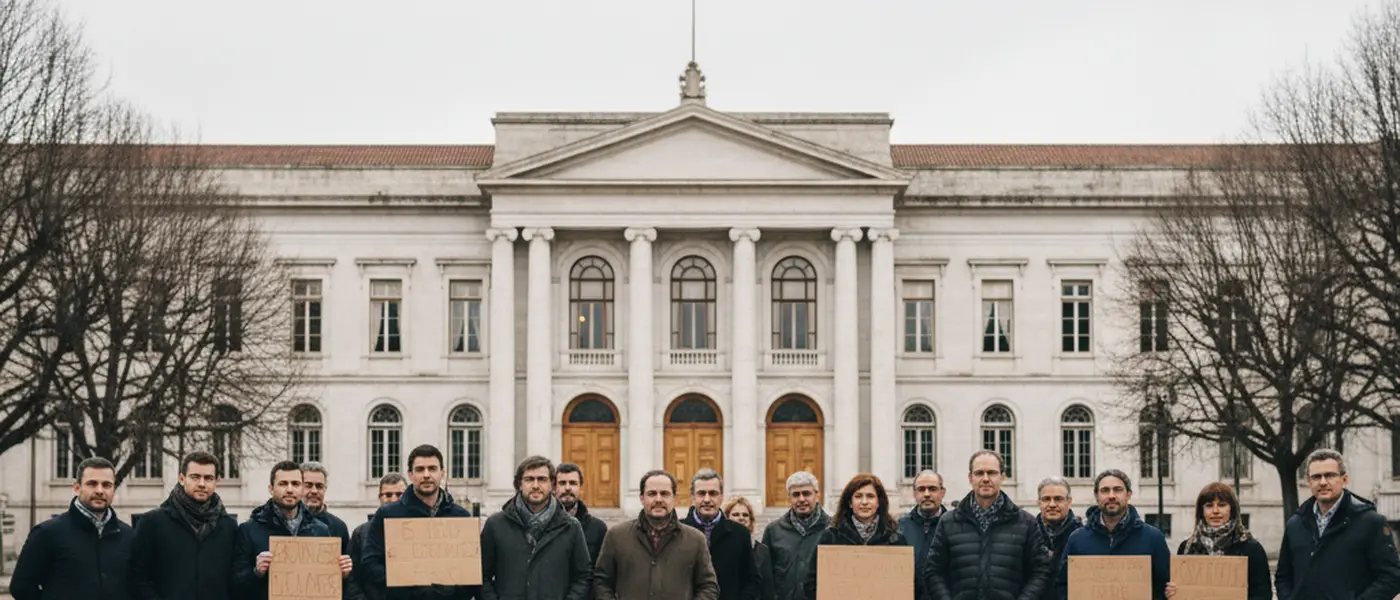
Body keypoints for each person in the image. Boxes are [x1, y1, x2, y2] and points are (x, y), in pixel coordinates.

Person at [925, 450, 1051, 600]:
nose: (985, 479)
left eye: (991, 473)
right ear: (970, 478)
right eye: (979, 473)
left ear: (1002, 477)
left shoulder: (1026, 523)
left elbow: (1041, 571)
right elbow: (933, 571)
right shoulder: (948, 522)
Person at [1275, 449, 1400, 600]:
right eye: (1316, 477)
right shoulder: (1295, 524)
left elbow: (1391, 577)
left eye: (1329, 475)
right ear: (1309, 482)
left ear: (1344, 479)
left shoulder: (1370, 523)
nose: (1323, 482)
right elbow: (1283, 576)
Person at [361, 444, 478, 600]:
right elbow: (370, 562)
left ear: (442, 472)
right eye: (420, 469)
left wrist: (452, 592)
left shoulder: (461, 517)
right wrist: (403, 589)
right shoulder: (387, 514)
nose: (426, 475)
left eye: (432, 468)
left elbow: (471, 569)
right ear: (410, 474)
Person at [12, 456, 132, 600]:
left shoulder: (128, 535)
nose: (100, 490)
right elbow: (21, 587)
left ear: (113, 489)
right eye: (92, 484)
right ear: (77, 487)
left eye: (106, 485)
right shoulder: (47, 533)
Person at [231, 460, 349, 600]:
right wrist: (256, 572)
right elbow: (235, 587)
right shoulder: (248, 530)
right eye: (283, 484)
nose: (289, 489)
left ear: (301, 488)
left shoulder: (321, 530)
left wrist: (341, 573)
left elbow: (329, 588)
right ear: (271, 488)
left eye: (295, 484)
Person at [128, 451, 239, 600]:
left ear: (217, 481)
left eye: (208, 478)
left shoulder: (229, 526)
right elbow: (136, 578)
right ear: (181, 478)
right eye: (195, 477)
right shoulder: (152, 522)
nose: (201, 483)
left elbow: (234, 579)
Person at [593, 469, 719, 600]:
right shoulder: (617, 536)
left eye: (664, 494)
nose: (658, 499)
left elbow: (708, 586)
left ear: (673, 498)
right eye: (652, 494)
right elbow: (601, 582)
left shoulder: (695, 539)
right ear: (642, 498)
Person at [480, 456, 591, 600]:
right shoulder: (496, 525)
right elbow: (482, 575)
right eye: (529, 479)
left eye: (542, 479)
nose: (536, 485)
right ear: (519, 484)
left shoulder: (571, 527)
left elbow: (583, 576)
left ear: (552, 484)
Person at [1057, 469, 1170, 600]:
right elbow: (1063, 586)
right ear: (1096, 496)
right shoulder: (1077, 539)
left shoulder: (1153, 537)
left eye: (1117, 490)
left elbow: (1164, 586)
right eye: (1105, 490)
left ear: (1128, 495)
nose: (1111, 496)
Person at [803, 473, 908, 600]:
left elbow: (906, 584)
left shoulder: (895, 539)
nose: (864, 502)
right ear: (850, 503)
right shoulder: (831, 537)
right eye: (858, 496)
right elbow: (811, 582)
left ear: (878, 502)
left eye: (870, 496)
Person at [1164, 482, 1270, 600]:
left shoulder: (1250, 548)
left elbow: (1262, 594)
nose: (1215, 511)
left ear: (1232, 509)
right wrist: (1173, 592)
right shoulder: (1187, 548)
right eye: (1209, 505)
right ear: (1201, 511)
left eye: (1222, 505)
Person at [681, 469, 759, 600]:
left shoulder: (740, 534)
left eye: (713, 493)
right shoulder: (678, 532)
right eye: (701, 493)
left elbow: (750, 579)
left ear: (722, 497)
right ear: (693, 497)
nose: (707, 499)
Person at [761, 471, 828, 600]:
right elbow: (765, 575)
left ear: (817, 495)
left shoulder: (832, 530)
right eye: (796, 495)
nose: (801, 499)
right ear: (789, 498)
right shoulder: (773, 531)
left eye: (807, 493)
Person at [303, 461, 364, 600]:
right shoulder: (284, 523)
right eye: (308, 485)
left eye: (319, 486)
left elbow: (349, 579)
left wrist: (347, 571)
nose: (314, 491)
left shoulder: (339, 526)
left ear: (325, 489)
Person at [351, 473, 406, 600]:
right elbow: (352, 578)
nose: (393, 499)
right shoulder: (361, 533)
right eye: (388, 495)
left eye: (399, 494)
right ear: (379, 497)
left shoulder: (418, 531)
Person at [897, 469, 946, 600]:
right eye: (921, 489)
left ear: (942, 493)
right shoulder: (900, 527)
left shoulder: (955, 526)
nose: (927, 494)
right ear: (914, 494)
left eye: (932, 489)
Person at [1035, 476, 1081, 600]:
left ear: (1069, 502)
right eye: (1046, 499)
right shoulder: (1027, 534)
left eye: (1058, 499)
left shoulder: (1082, 536)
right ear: (1038, 502)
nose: (1052, 504)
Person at [724, 496, 776, 600]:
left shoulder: (762, 550)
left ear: (750, 521)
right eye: (735, 514)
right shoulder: (719, 548)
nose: (741, 518)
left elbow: (767, 590)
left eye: (745, 515)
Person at [555, 462, 607, 565]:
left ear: (580, 487)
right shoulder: (543, 524)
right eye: (562, 483)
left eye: (573, 483)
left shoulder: (598, 528)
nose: (568, 488)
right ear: (553, 487)